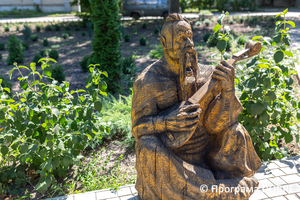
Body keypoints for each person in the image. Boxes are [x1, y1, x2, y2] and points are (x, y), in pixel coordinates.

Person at [131, 13, 261, 200]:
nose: (189, 44)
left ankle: (209, 188)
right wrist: (165, 122)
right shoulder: (148, 81)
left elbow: (218, 123)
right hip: (170, 157)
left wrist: (229, 91)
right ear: (164, 43)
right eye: (181, 38)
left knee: (236, 130)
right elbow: (138, 129)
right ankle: (219, 191)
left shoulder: (207, 74)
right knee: (146, 146)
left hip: (206, 152)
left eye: (190, 37)